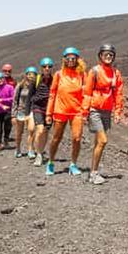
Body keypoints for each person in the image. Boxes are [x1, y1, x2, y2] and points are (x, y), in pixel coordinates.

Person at [82, 44, 124, 185]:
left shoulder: (115, 73)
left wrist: (117, 112)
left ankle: (93, 171)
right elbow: (87, 92)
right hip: (95, 109)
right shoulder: (94, 71)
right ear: (100, 56)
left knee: (98, 143)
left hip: (107, 111)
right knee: (103, 140)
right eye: (105, 54)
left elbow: (118, 93)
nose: (108, 56)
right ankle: (93, 174)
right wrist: (85, 112)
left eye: (111, 54)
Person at [44, 47, 87, 176]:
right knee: (56, 138)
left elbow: (86, 94)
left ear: (77, 59)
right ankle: (51, 162)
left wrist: (85, 111)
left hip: (77, 112)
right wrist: (48, 113)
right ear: (64, 59)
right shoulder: (59, 74)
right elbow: (52, 94)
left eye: (74, 58)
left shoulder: (82, 75)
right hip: (60, 111)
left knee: (77, 138)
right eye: (68, 58)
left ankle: (73, 164)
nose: (71, 60)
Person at [30, 57, 55, 166]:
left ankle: (40, 151)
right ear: (41, 68)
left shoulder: (54, 80)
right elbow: (30, 96)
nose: (47, 68)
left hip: (49, 110)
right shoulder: (36, 79)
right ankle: (38, 154)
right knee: (39, 130)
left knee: (45, 132)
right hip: (37, 107)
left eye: (49, 66)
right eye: (45, 66)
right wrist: (27, 113)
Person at [12, 66, 38, 158]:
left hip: (31, 111)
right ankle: (18, 148)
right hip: (20, 111)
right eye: (29, 74)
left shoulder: (36, 86)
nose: (31, 76)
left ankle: (30, 149)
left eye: (33, 74)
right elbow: (15, 100)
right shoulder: (20, 85)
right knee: (19, 132)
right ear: (26, 75)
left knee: (31, 130)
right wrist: (13, 115)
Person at [0, 72, 15, 152]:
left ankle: (6, 141)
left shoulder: (10, 87)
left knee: (7, 127)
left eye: (1, 78)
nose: (0, 80)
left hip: (8, 110)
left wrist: (3, 100)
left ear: (4, 79)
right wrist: (2, 106)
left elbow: (13, 98)